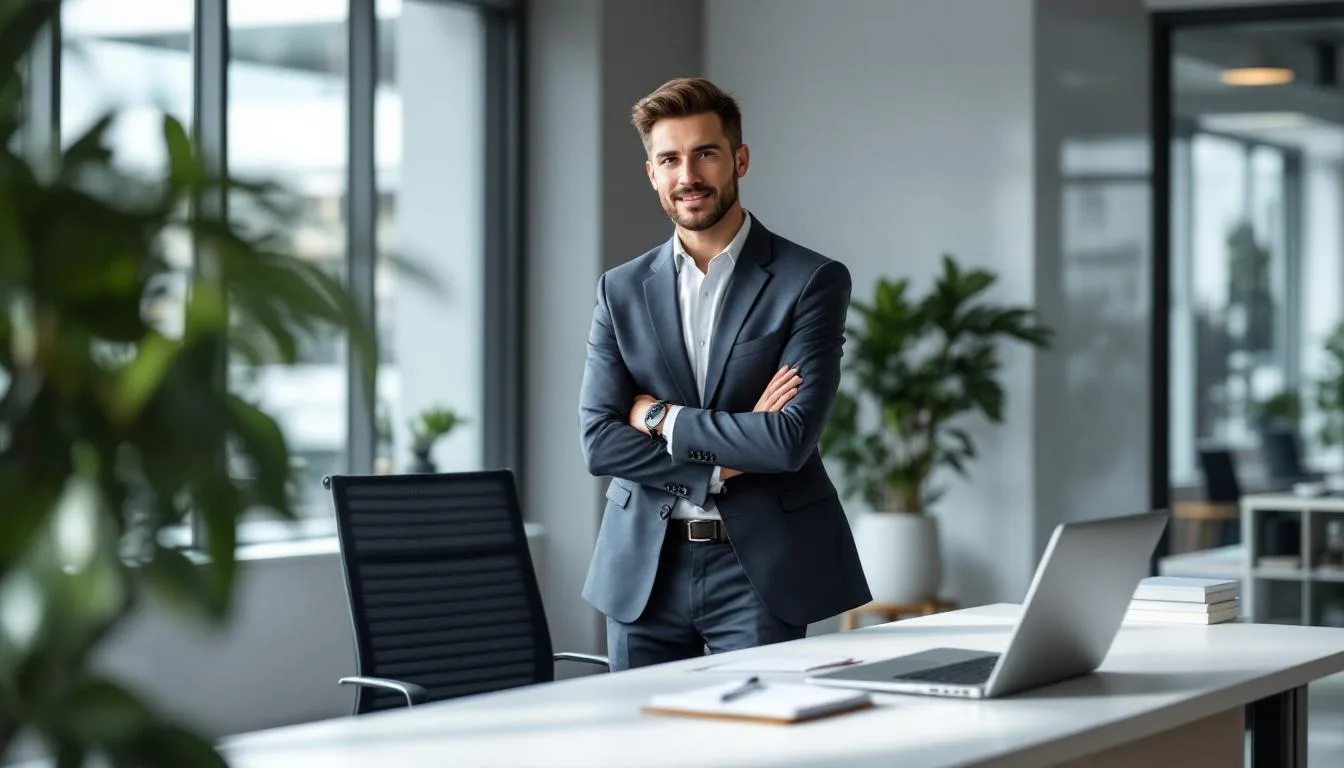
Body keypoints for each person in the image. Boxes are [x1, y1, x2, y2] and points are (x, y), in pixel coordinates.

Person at [578, 77, 871, 671]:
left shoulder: (809, 280)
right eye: (670, 159)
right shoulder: (621, 289)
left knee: (760, 747)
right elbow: (599, 440)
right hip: (643, 570)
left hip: (759, 569)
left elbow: (788, 439)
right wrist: (727, 454)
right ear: (652, 174)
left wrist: (660, 417)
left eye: (705, 153)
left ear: (739, 158)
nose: (688, 174)